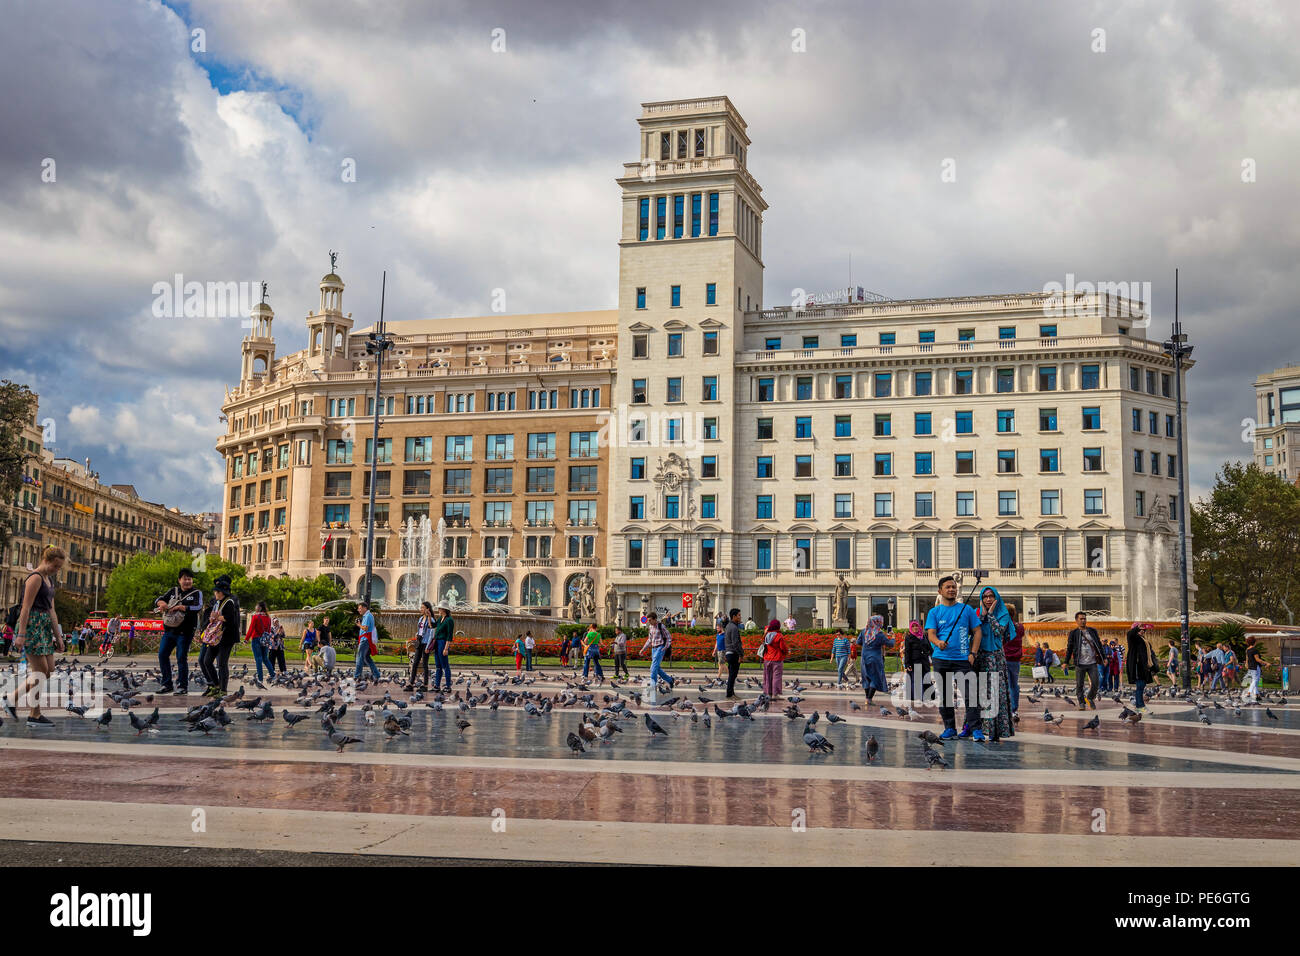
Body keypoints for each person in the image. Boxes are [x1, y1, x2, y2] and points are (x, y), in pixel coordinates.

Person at [12, 546, 67, 726]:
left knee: (48, 670)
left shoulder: (49, 581)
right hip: (32, 624)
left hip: (43, 626)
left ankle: (11, 699)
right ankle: (33, 714)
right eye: (55, 566)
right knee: (40, 671)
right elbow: (25, 607)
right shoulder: (35, 578)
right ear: (46, 560)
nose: (56, 570)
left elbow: (52, 610)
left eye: (59, 567)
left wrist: (58, 636)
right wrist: (21, 634)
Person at [925, 576, 984, 741]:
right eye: (948, 587)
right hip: (941, 658)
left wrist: (973, 653)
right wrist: (938, 642)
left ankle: (976, 729)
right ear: (940, 591)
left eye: (953, 587)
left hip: (963, 659)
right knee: (945, 696)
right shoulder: (934, 612)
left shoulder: (967, 610)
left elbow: (977, 631)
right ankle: (949, 728)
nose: (952, 589)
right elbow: (931, 634)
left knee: (970, 695)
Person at [154, 567, 204, 695]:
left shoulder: (196, 593)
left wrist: (183, 607)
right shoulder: (173, 591)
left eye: (189, 579)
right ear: (179, 580)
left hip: (185, 632)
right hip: (169, 630)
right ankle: (167, 684)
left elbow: (198, 607)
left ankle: (182, 686)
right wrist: (161, 604)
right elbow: (158, 599)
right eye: (184, 579)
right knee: (162, 654)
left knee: (181, 657)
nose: (187, 581)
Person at [974, 587, 1015, 741]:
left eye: (991, 596)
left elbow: (999, 632)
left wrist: (990, 615)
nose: (988, 599)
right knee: (979, 693)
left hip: (995, 657)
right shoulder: (977, 613)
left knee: (995, 692)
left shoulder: (1003, 614)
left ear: (996, 597)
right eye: (985, 597)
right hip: (980, 656)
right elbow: (972, 631)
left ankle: (995, 731)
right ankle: (976, 728)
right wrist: (982, 616)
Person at [199, 575, 241, 696]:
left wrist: (217, 617)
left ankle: (223, 690)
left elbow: (231, 619)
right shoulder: (217, 602)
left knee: (222, 663)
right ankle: (216, 685)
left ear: (222, 592)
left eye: (216, 591)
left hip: (226, 637)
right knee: (207, 661)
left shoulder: (230, 602)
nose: (215, 593)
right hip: (215, 637)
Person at [1064, 611, 1104, 709]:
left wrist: (1104, 657)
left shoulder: (1092, 631)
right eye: (1081, 619)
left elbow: (1098, 645)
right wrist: (1066, 661)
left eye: (1084, 619)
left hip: (1092, 662)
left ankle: (1090, 697)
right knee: (1079, 684)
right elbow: (1069, 648)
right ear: (1076, 621)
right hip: (1080, 663)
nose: (1083, 621)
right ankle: (1081, 702)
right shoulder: (1074, 633)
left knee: (1096, 683)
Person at [855, 614, 895, 706]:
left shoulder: (864, 632)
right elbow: (890, 644)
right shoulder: (879, 634)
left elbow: (858, 642)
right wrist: (893, 637)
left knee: (866, 678)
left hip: (864, 658)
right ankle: (869, 699)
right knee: (875, 678)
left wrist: (867, 645)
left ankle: (867, 698)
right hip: (875, 658)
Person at [640, 612, 676, 691]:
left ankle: (653, 685)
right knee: (657, 668)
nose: (649, 622)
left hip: (660, 648)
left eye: (650, 620)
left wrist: (665, 647)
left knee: (653, 668)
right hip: (653, 648)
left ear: (655, 619)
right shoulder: (651, 627)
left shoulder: (661, 626)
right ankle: (670, 680)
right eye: (648, 620)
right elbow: (649, 640)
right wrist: (643, 649)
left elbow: (669, 637)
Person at [1126, 622, 1157, 713]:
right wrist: (1136, 628)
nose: (1142, 631)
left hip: (1143, 666)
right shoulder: (1133, 638)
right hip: (1137, 665)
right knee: (1140, 686)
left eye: (1144, 630)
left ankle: (1139, 706)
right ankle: (1140, 706)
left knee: (1142, 685)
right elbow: (1129, 634)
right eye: (1140, 630)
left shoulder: (1143, 639)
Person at [902, 620, 931, 705]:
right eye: (913, 626)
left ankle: (925, 697)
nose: (915, 628)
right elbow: (907, 651)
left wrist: (930, 654)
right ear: (911, 627)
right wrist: (907, 664)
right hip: (914, 662)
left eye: (916, 626)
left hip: (924, 662)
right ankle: (918, 698)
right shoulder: (909, 637)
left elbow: (929, 647)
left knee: (925, 679)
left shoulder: (924, 636)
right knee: (916, 681)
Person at [1003, 604, 1024, 720]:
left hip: (1003, 658)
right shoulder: (1019, 626)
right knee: (1014, 685)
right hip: (1015, 660)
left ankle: (1003, 709)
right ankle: (1014, 710)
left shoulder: (1002, 626)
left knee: (1002, 685)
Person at [245, 601, 272, 684]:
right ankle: (273, 674)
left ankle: (260, 678)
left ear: (260, 607)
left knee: (258, 659)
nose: (255, 607)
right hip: (265, 640)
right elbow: (269, 630)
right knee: (265, 658)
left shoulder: (256, 616)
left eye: (256, 605)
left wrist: (246, 639)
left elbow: (251, 628)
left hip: (256, 639)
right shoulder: (268, 617)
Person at [409, 601, 434, 689]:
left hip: (426, 643)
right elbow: (420, 629)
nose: (421, 609)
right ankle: (411, 683)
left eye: (423, 608)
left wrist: (428, 646)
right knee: (415, 663)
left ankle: (425, 685)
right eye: (421, 607)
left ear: (428, 609)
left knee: (424, 664)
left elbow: (431, 632)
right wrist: (417, 634)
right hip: (419, 642)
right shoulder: (420, 619)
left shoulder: (431, 619)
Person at [354, 601, 381, 682]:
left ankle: (357, 675)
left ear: (365, 608)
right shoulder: (368, 615)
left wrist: (359, 625)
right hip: (367, 639)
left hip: (365, 640)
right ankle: (376, 674)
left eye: (360, 608)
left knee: (360, 657)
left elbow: (365, 628)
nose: (358, 610)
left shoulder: (368, 615)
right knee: (367, 658)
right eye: (358, 608)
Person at [761, 619, 789, 699]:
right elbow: (783, 647)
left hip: (767, 659)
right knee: (776, 677)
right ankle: (775, 694)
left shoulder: (766, 635)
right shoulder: (779, 636)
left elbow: (763, 642)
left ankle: (768, 693)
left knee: (767, 676)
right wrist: (786, 652)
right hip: (777, 659)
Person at [430, 604, 454, 693]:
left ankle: (448, 686)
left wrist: (446, 648)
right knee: (438, 666)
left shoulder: (449, 620)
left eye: (439, 608)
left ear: (444, 609)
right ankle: (437, 685)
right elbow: (432, 626)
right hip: (437, 642)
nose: (438, 609)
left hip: (443, 643)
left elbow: (449, 635)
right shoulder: (440, 618)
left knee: (445, 666)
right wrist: (429, 616)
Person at [722, 608, 742, 698]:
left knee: (732, 674)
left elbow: (726, 641)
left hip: (729, 653)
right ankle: (729, 693)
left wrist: (726, 653)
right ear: (734, 616)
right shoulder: (733, 627)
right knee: (733, 675)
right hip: (733, 653)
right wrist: (741, 654)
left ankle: (731, 692)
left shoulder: (728, 626)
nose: (740, 617)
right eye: (739, 615)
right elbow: (735, 643)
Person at [1243, 636, 1267, 703]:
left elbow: (1247, 658)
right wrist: (1266, 663)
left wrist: (1246, 664)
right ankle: (1249, 693)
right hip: (1255, 667)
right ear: (1254, 642)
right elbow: (1257, 659)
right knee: (1255, 680)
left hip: (1250, 667)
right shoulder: (1254, 650)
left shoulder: (1247, 649)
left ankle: (1257, 695)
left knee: (1254, 680)